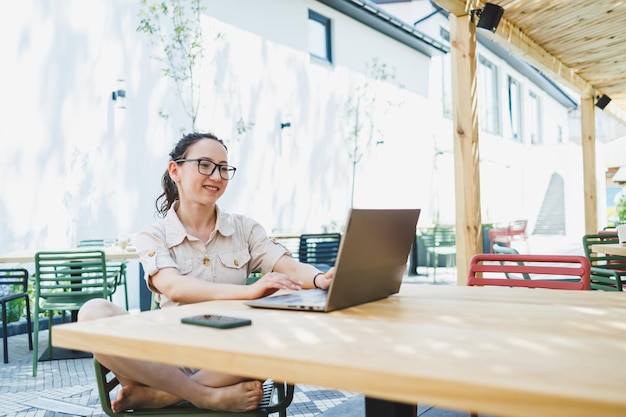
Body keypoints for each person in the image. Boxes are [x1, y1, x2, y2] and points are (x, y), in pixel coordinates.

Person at [78, 132, 334, 413]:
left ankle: (162, 396)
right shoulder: (153, 234)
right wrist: (248, 292)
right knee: (92, 313)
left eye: (224, 168)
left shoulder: (244, 229)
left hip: (229, 358)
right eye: (205, 165)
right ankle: (205, 395)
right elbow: (173, 286)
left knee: (285, 328)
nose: (216, 175)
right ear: (175, 170)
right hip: (167, 356)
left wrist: (319, 279)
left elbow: (287, 265)